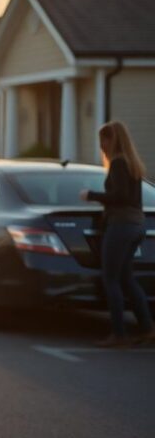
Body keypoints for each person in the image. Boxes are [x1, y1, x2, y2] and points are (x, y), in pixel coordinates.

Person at [80, 121, 153, 348]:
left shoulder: (119, 163)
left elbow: (120, 195)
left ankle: (118, 334)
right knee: (126, 278)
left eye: (103, 140)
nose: (101, 146)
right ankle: (147, 328)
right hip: (137, 225)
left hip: (121, 226)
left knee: (110, 278)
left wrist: (91, 194)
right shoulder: (131, 163)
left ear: (112, 140)